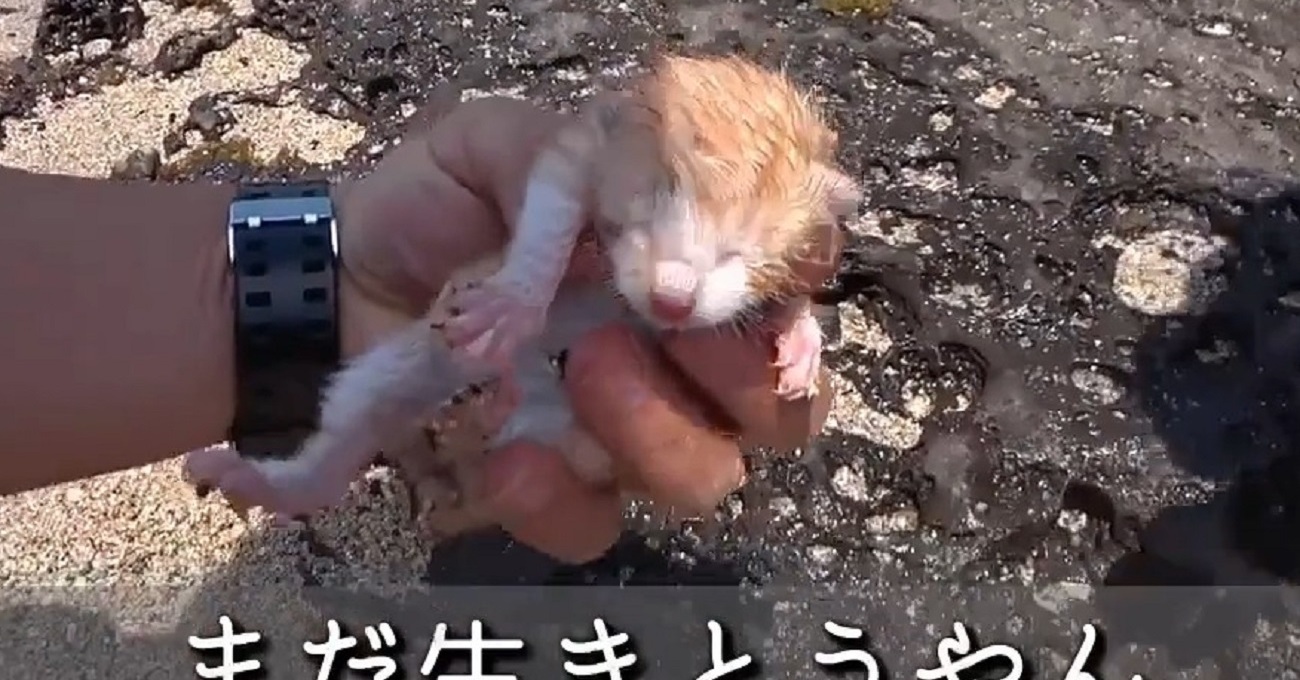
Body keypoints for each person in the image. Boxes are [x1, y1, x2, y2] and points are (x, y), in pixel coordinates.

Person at [0, 95, 838, 563]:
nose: (677, 283)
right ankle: (307, 472)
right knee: (412, 372)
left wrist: (797, 328)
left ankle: (376, 451)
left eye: (729, 252)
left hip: (554, 372)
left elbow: (788, 282)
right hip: (498, 329)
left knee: (571, 446)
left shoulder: (774, 223)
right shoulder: (608, 153)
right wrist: (519, 285)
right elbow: (557, 190)